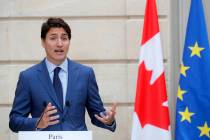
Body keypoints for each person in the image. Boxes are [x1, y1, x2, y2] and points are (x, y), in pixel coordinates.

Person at [9, 17, 116, 132]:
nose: (59, 44)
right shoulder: (28, 77)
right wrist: (37, 123)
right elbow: (14, 121)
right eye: (53, 38)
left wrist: (108, 120)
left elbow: (97, 114)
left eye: (64, 38)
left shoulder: (85, 74)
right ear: (43, 42)